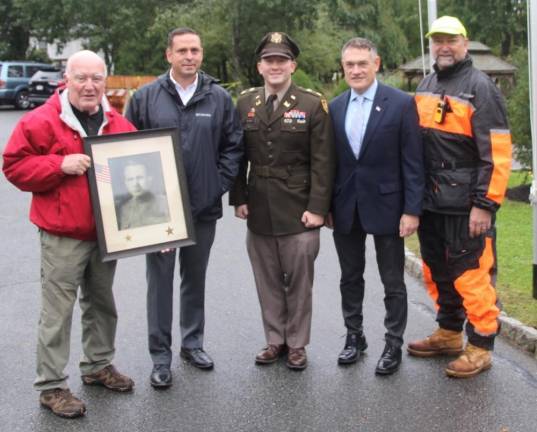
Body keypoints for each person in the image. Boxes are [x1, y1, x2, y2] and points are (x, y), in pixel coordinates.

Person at [2, 50, 135, 419]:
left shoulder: (118, 123)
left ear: (105, 80)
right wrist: (58, 165)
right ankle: (51, 385)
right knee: (57, 312)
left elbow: (141, 176)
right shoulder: (41, 120)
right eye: (81, 78)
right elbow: (13, 165)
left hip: (106, 235)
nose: (89, 86)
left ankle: (97, 365)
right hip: (63, 235)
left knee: (101, 304)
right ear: (67, 78)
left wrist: (152, 230)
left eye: (96, 78)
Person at [125, 28, 243, 387]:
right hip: (157, 212)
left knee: (195, 278)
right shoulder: (145, 98)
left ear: (201, 54)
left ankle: (193, 344)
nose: (189, 56)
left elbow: (233, 147)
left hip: (203, 208)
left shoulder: (219, 98)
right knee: (159, 283)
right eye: (182, 51)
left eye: (195, 50)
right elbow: (129, 150)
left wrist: (216, 186)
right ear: (169, 55)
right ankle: (160, 357)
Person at [408, 16, 512, 378]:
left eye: (450, 40)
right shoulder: (427, 82)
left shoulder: (481, 88)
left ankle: (481, 345)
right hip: (430, 203)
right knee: (437, 272)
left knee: (471, 275)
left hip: (468, 206)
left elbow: (497, 154)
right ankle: (449, 332)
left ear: (465, 44)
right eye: (437, 40)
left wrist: (484, 204)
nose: (443, 46)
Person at [229, 32, 335, 370]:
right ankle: (275, 340)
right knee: (268, 280)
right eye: (269, 60)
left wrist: (318, 209)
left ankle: (297, 344)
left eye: (282, 60)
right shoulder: (245, 103)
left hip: (300, 209)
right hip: (259, 207)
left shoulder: (311, 104)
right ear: (259, 66)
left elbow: (323, 161)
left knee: (299, 284)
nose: (275, 66)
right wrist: (239, 198)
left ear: (293, 65)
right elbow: (236, 155)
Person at [328, 37, 424, 375]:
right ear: (343, 67)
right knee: (350, 277)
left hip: (388, 206)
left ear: (376, 64)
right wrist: (326, 205)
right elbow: (331, 163)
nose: (355, 70)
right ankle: (355, 336)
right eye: (349, 64)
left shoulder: (400, 104)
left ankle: (393, 343)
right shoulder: (335, 106)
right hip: (346, 207)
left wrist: (412, 210)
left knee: (392, 281)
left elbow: (413, 161)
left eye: (361, 64)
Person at [116, 160, 170, 230]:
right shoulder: (123, 209)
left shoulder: (165, 203)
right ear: (126, 183)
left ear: (149, 178)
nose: (135, 184)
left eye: (140, 178)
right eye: (130, 179)